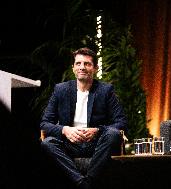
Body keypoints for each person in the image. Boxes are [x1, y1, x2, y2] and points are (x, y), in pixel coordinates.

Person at [40, 47, 127, 189]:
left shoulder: (106, 90)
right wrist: (65, 130)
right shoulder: (61, 90)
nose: (82, 67)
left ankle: (88, 181)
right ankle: (84, 183)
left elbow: (121, 122)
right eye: (78, 63)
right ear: (73, 68)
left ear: (95, 68)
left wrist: (97, 131)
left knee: (113, 134)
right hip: (69, 143)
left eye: (87, 64)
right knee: (47, 143)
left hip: (96, 145)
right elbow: (45, 123)